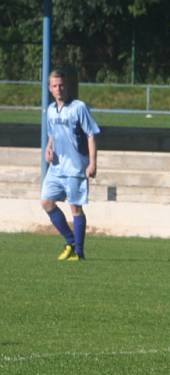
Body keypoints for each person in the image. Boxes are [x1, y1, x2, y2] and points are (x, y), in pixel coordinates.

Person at [40, 68, 100, 261]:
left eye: (62, 85)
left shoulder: (79, 107)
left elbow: (91, 134)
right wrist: (49, 148)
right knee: (46, 202)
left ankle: (79, 253)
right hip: (56, 167)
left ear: (67, 86)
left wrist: (92, 163)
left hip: (75, 167)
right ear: (50, 88)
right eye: (55, 86)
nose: (59, 89)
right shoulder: (50, 110)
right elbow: (52, 133)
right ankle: (71, 242)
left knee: (75, 208)